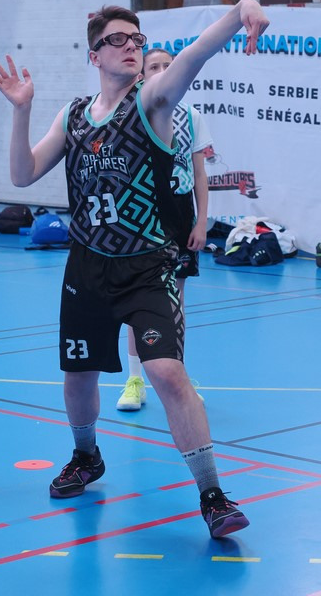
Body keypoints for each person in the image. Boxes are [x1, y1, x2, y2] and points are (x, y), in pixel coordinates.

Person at [0, 0, 269, 538]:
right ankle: (86, 455)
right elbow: (22, 175)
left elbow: (194, 56)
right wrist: (21, 109)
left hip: (148, 265)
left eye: (137, 39)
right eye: (117, 39)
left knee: (166, 372)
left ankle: (212, 495)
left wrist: (240, 12)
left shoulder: (152, 102)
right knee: (78, 379)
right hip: (87, 266)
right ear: (94, 55)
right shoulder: (73, 116)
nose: (131, 47)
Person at [116, 48, 211, 410]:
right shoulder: (131, 114)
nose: (160, 71)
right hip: (142, 213)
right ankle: (134, 380)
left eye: (167, 66)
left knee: (176, 300)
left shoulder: (192, 116)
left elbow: (199, 174)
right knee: (136, 298)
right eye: (153, 66)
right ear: (141, 75)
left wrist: (201, 222)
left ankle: (178, 376)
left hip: (179, 213)